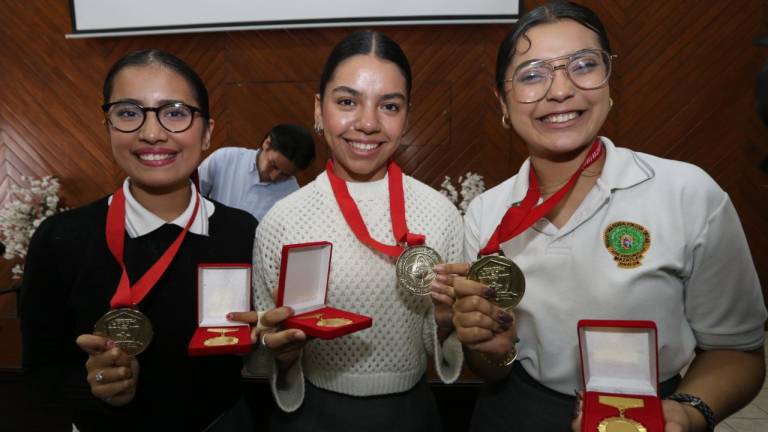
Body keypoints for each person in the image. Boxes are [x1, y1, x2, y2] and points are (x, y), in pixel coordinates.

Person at [439, 2, 767, 432]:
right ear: (503, 101)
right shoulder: (487, 212)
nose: (560, 90)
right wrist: (491, 346)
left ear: (610, 83)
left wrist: (688, 412)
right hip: (516, 409)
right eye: (533, 74)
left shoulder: (688, 193)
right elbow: (493, 367)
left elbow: (739, 353)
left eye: (583, 65)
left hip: (651, 416)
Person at [19, 49, 257, 431]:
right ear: (108, 128)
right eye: (128, 113)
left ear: (208, 131)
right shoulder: (61, 239)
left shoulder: (241, 231)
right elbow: (39, 375)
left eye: (176, 112)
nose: (151, 133)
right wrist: (94, 386)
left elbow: (248, 354)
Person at [245, 30, 464, 431]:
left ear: (407, 115)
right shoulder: (282, 220)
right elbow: (265, 346)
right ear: (318, 109)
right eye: (347, 102)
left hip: (411, 413)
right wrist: (281, 354)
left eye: (390, 106)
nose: (366, 123)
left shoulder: (441, 214)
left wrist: (449, 322)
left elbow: (443, 342)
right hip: (310, 414)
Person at [198, 123, 316, 221]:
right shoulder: (225, 158)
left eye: (285, 175)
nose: (274, 176)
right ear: (267, 144)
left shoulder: (293, 195)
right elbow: (190, 193)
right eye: (273, 165)